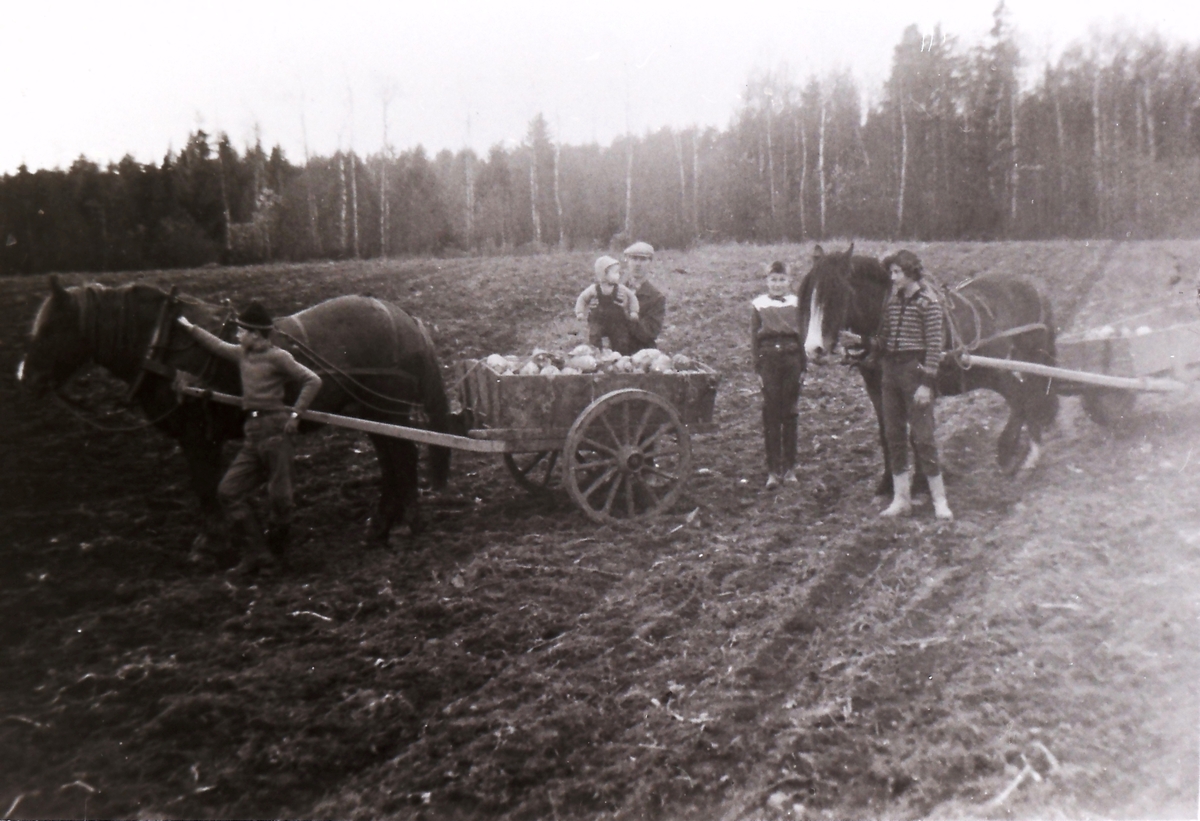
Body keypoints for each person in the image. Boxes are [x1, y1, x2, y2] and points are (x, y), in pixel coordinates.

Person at [176, 302, 323, 573]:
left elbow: (312, 380)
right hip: (253, 433)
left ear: (256, 334)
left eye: (242, 331)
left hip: (276, 431)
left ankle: (278, 554)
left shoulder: (278, 357)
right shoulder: (242, 355)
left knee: (280, 498)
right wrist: (188, 327)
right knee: (228, 491)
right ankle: (258, 553)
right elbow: (214, 346)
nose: (237, 336)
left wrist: (296, 415)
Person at [875, 250, 953, 520]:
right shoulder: (892, 302)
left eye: (897, 272)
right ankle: (901, 498)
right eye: (891, 273)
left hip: (914, 372)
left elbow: (934, 347)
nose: (893, 277)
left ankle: (939, 500)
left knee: (923, 437)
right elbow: (883, 339)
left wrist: (926, 384)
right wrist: (861, 341)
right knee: (894, 435)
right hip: (890, 372)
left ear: (911, 273)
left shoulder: (928, 304)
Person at [751, 261, 805, 489]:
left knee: (790, 412)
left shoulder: (797, 304)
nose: (777, 284)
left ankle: (790, 469)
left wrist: (804, 366)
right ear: (767, 282)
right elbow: (754, 339)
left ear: (789, 281)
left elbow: (802, 336)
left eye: (782, 279)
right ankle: (773, 471)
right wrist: (758, 369)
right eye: (773, 280)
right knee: (771, 414)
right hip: (768, 361)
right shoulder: (758, 304)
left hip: (791, 359)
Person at [575, 255, 640, 351]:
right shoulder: (594, 289)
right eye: (615, 273)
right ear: (603, 274)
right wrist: (579, 312)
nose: (618, 275)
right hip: (598, 320)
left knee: (621, 338)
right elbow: (582, 298)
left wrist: (634, 312)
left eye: (618, 272)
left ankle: (620, 355)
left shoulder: (620, 288)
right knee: (594, 335)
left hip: (617, 321)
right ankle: (596, 353)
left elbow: (632, 297)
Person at [620, 241, 666, 354]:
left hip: (643, 356)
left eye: (643, 259)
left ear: (650, 262)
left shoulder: (656, 297)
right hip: (616, 353)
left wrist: (627, 313)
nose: (638, 264)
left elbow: (649, 334)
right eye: (634, 258)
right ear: (627, 261)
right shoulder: (616, 291)